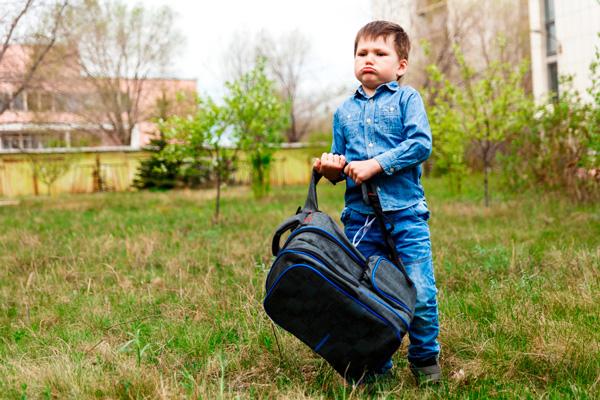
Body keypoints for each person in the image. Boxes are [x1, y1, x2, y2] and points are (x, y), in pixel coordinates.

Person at [312, 20, 441, 385]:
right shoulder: (343, 112)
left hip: (406, 216)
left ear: (400, 64)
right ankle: (375, 366)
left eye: (380, 53)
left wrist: (377, 164)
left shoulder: (406, 99)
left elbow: (420, 145)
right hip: (361, 219)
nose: (368, 59)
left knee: (421, 290)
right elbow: (341, 166)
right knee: (364, 295)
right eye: (361, 53)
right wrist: (330, 167)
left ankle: (425, 359)